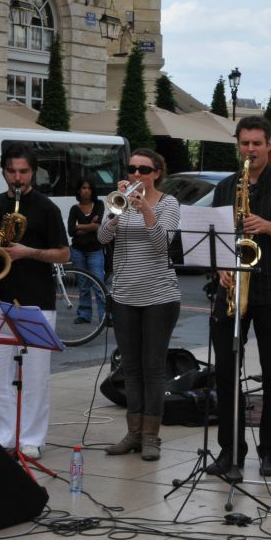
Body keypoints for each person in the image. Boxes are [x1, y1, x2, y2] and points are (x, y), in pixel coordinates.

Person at [206, 115, 271, 478]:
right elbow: (213, 235)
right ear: (237, 144)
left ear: (269, 145)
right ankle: (230, 452)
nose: (250, 149)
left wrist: (267, 226)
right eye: (244, 143)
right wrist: (219, 266)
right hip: (230, 289)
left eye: (257, 143)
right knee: (225, 373)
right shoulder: (226, 187)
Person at [0, 145, 70, 461]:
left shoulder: (47, 208)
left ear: (33, 172)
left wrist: (28, 252)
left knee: (33, 376)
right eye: (11, 171)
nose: (17, 178)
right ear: (3, 171)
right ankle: (1, 433)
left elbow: (64, 253)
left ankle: (31, 437)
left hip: (36, 301)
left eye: (23, 172)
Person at [98, 149, 181, 462]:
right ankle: (132, 433)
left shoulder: (168, 203)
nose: (135, 174)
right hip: (124, 295)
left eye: (143, 169)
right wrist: (117, 211)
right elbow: (102, 238)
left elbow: (163, 243)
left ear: (156, 172)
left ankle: (151, 437)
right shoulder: (119, 201)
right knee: (130, 369)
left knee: (153, 368)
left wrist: (145, 206)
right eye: (131, 168)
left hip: (160, 296)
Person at [67, 178, 107, 325]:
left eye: (89, 188)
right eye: (83, 188)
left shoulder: (99, 205)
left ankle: (105, 316)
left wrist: (80, 227)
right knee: (83, 285)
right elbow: (71, 231)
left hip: (95, 250)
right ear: (78, 190)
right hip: (78, 250)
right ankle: (84, 314)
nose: (86, 191)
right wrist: (90, 225)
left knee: (98, 284)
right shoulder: (74, 209)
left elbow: (98, 226)